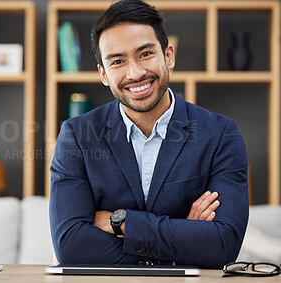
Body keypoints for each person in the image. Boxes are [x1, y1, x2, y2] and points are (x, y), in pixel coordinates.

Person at [49, 0, 249, 269]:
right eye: (118, 61)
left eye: (145, 54)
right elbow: (71, 246)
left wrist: (120, 222)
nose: (135, 72)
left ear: (168, 56)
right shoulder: (77, 136)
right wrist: (184, 239)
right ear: (104, 75)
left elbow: (223, 245)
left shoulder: (221, 135)